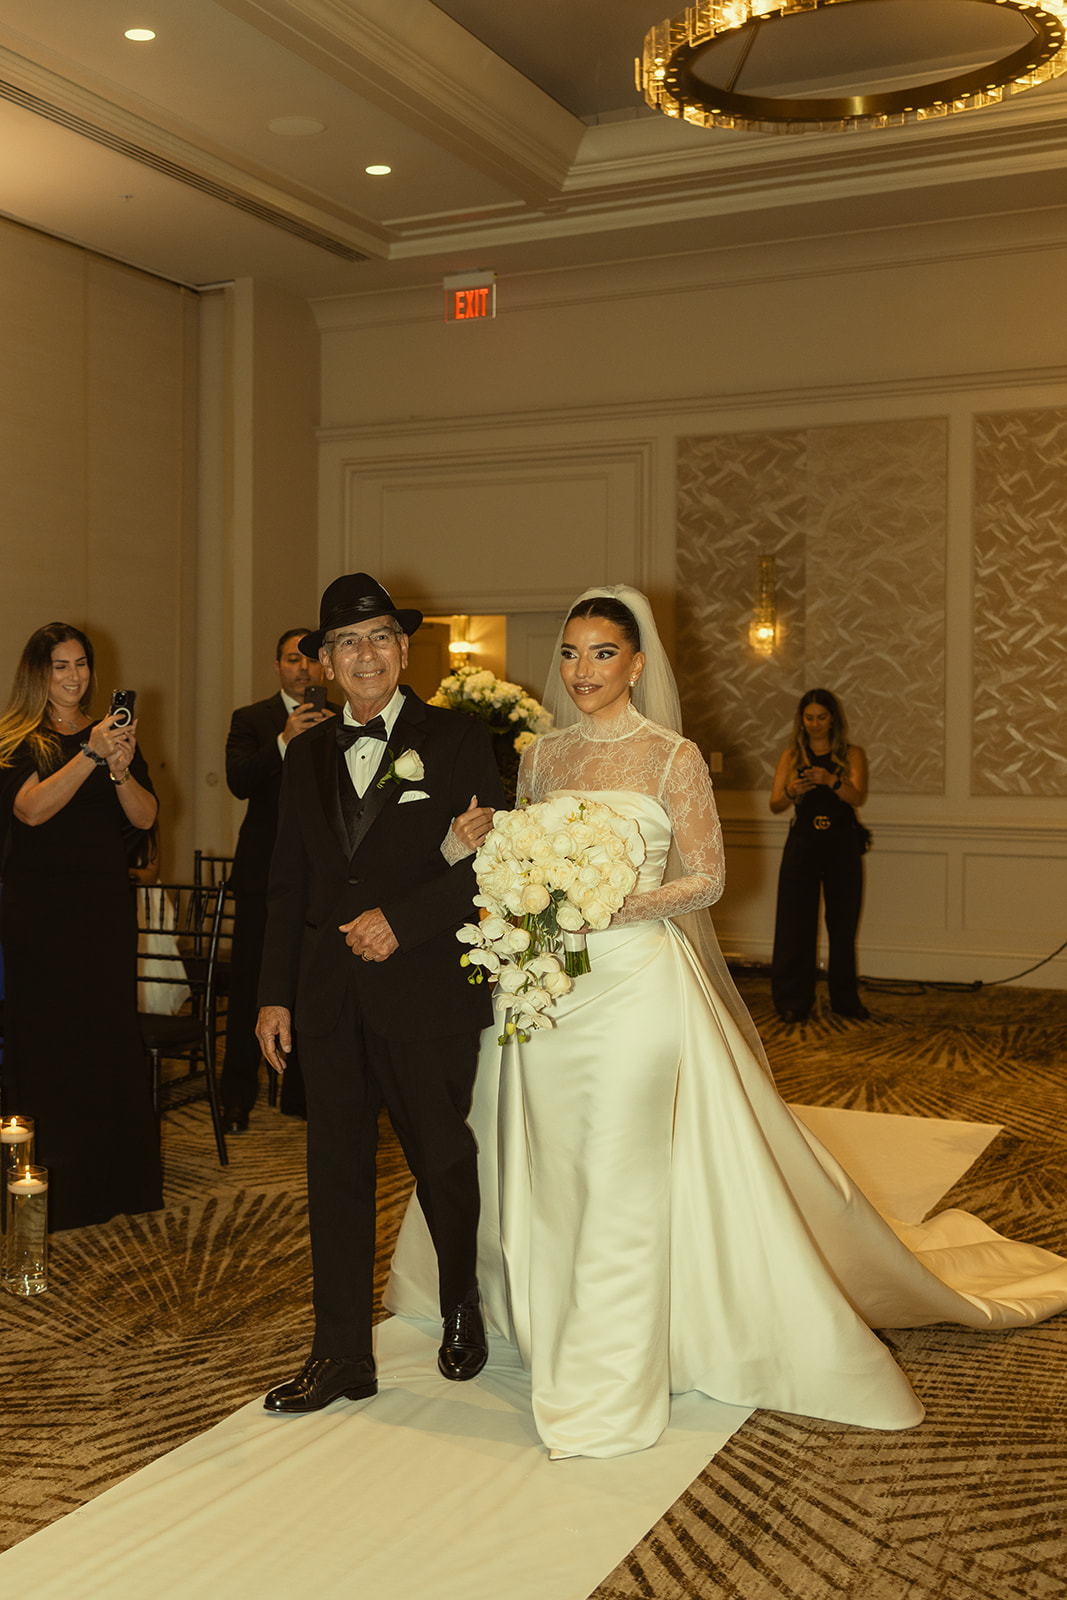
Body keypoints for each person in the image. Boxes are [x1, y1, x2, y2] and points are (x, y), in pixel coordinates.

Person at [387, 585, 1067, 1460]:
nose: (582, 670)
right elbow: (519, 859)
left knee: (620, 1169)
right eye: (569, 653)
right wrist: (519, 896)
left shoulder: (672, 758)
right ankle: (537, 1313)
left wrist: (610, 903)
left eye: (602, 654)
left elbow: (704, 879)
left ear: (636, 664)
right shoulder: (541, 757)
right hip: (547, 990)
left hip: (634, 988)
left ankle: (608, 1373)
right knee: (548, 1157)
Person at [255, 572, 505, 1414]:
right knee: (334, 1171)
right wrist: (272, 995)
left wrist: (404, 919)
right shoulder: (307, 754)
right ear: (322, 662)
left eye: (379, 639)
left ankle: (461, 1306)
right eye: (346, 643)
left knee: (441, 1155)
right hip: (328, 993)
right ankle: (339, 1356)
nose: (364, 655)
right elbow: (287, 882)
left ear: (404, 651)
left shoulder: (462, 740)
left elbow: (493, 865)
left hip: (426, 985)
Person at [0, 623, 163, 1230]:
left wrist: (119, 768)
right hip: (41, 914)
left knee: (106, 1038)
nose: (73, 677)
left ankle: (116, 1182)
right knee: (49, 1042)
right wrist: (91, 754)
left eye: (81, 665)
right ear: (37, 674)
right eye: (60, 667)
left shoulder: (109, 734)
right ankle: (50, 1190)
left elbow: (145, 817)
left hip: (103, 910)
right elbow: (31, 809)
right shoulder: (16, 739)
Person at [221, 629, 337, 1131]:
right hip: (260, 872)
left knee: (313, 985)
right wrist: (284, 741)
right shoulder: (252, 720)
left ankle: (302, 1093)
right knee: (250, 984)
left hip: (320, 876)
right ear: (277, 666)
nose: (303, 668)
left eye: (311, 660)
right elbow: (239, 781)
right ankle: (235, 1097)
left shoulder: (343, 718)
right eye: (293, 659)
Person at [769, 688, 869, 1023]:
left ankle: (845, 999)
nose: (815, 724)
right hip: (803, 845)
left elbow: (857, 797)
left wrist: (830, 780)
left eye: (821, 717)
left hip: (842, 845)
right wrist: (791, 791)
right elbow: (775, 805)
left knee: (842, 925)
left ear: (833, 719)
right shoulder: (791, 756)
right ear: (802, 720)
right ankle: (792, 1001)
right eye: (809, 718)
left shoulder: (852, 754)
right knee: (795, 924)